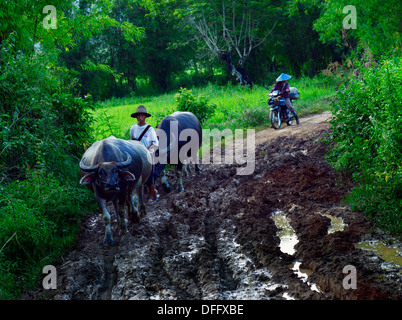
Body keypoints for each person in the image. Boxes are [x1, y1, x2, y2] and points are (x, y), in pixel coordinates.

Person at [130, 105, 159, 203]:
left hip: (148, 155)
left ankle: (152, 195)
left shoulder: (150, 130)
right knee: (137, 176)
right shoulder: (133, 128)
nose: (140, 117)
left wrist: (146, 150)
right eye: (138, 116)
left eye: (142, 115)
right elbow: (131, 142)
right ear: (136, 117)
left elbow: (155, 144)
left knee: (150, 176)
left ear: (145, 117)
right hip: (137, 156)